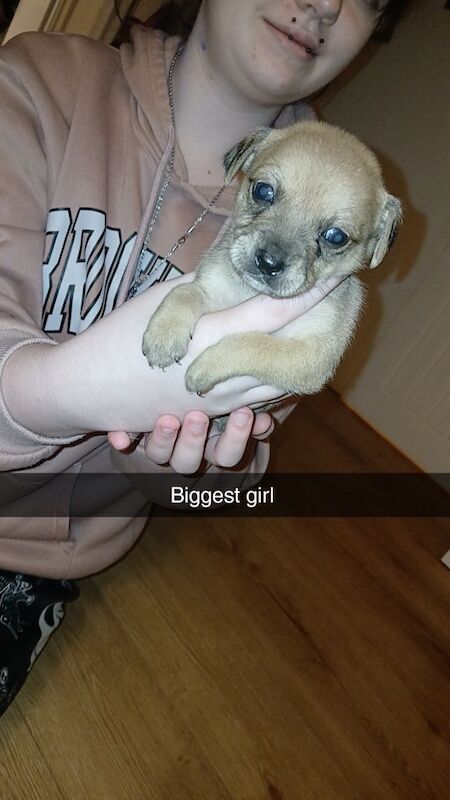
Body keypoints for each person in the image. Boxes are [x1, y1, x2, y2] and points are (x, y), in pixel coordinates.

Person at [0, 0, 410, 716]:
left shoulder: (319, 282)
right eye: (264, 196)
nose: (323, 2)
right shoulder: (37, 83)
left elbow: (223, 486)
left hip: (35, 560)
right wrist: (71, 390)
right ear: (248, 173)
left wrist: (175, 462)